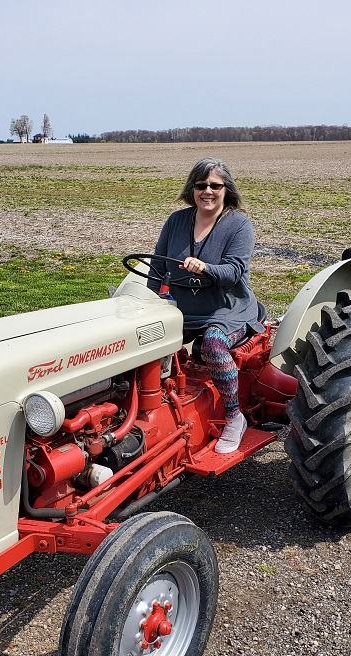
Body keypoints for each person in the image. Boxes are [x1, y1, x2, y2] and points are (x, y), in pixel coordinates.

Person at [148, 157, 263, 454]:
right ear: (192, 189)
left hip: (227, 310)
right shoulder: (176, 221)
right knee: (141, 337)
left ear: (226, 189)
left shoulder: (238, 224)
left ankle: (234, 416)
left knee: (212, 344)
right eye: (201, 185)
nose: (207, 191)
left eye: (215, 185)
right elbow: (158, 267)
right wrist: (149, 305)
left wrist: (205, 268)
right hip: (184, 310)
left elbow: (235, 272)